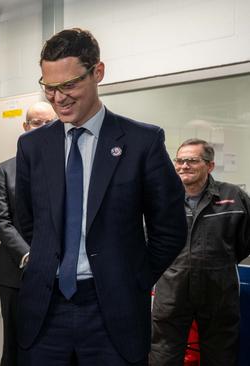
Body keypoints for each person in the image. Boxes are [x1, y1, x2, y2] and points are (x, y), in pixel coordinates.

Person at [15, 28, 187, 365]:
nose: (58, 98)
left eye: (69, 85)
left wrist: (130, 277)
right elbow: (28, 220)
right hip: (45, 309)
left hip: (112, 311)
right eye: (49, 87)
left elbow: (170, 229)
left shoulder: (142, 142)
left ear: (98, 72)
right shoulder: (33, 146)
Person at [150, 138, 250, 366]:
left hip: (219, 292)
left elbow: (245, 241)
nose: (184, 166)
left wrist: (218, 262)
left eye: (192, 160)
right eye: (180, 160)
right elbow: (147, 240)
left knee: (220, 355)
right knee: (162, 355)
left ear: (210, 165)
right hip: (171, 292)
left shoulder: (232, 196)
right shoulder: (162, 198)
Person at [0, 101, 56, 366]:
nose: (42, 128)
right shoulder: (7, 168)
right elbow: (1, 219)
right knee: (15, 344)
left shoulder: (65, 166)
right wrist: (29, 254)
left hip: (57, 271)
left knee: (52, 343)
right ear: (25, 127)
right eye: (36, 123)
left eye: (48, 123)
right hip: (14, 272)